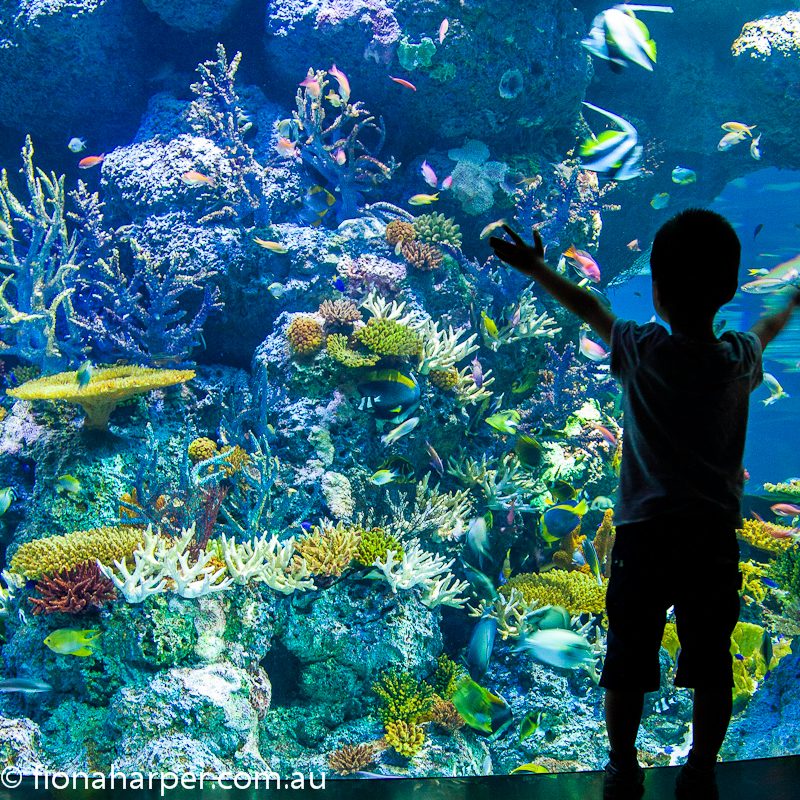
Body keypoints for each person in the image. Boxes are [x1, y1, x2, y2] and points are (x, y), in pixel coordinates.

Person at [490, 209, 800, 800]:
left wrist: (537, 269)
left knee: (628, 659)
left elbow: (588, 308)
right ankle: (702, 769)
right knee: (712, 664)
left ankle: (624, 767)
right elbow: (768, 331)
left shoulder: (643, 349)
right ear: (730, 290)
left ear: (655, 289)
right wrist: (793, 298)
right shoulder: (737, 359)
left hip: (644, 534)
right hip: (710, 538)